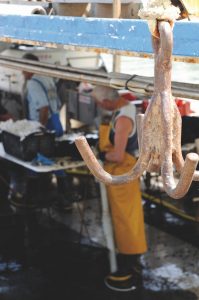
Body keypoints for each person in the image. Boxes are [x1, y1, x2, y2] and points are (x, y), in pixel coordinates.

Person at [92, 86, 147, 292]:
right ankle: (128, 257)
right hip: (120, 173)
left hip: (123, 171)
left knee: (126, 219)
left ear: (107, 101)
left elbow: (117, 155)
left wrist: (97, 155)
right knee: (124, 218)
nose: (99, 107)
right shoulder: (124, 109)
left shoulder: (123, 119)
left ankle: (130, 263)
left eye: (99, 103)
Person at [9, 52, 73, 211]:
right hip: (56, 123)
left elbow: (43, 109)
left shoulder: (32, 83)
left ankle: (33, 198)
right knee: (58, 161)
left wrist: (37, 130)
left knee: (35, 160)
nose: (23, 72)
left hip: (45, 126)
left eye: (24, 68)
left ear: (30, 66)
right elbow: (56, 103)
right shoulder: (47, 78)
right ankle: (65, 199)